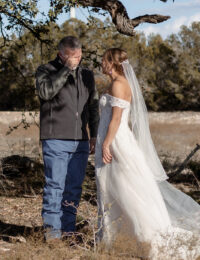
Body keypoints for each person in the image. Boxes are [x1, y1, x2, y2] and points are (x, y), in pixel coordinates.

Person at [95, 48, 200, 259]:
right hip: (114, 137)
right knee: (114, 184)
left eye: (104, 61)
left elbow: (116, 119)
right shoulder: (115, 83)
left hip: (115, 140)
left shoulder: (118, 84)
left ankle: (146, 235)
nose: (101, 64)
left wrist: (106, 144)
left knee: (126, 187)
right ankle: (116, 236)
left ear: (112, 63)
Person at [35, 36, 99, 241]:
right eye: (72, 57)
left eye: (79, 57)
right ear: (61, 54)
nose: (76, 61)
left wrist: (95, 134)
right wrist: (66, 70)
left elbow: (93, 107)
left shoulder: (87, 75)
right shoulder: (45, 70)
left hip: (81, 140)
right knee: (55, 186)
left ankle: (68, 231)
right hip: (55, 138)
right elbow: (45, 93)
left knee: (74, 188)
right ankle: (52, 236)